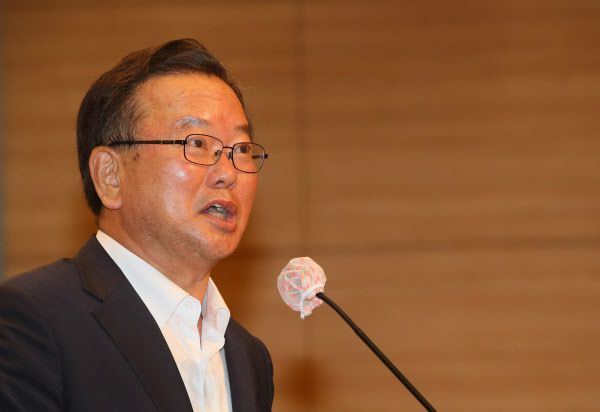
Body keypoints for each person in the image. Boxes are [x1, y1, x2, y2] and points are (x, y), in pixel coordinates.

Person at [0, 39, 273, 412]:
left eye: (240, 149)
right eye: (196, 143)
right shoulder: (32, 319)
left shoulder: (250, 358)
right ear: (110, 176)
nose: (228, 172)